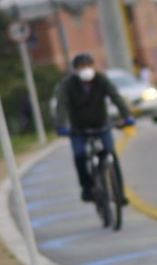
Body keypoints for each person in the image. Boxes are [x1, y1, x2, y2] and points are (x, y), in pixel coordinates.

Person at [55, 53, 135, 203]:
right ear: (75, 70)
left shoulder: (101, 80)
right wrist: (61, 126)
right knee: (80, 155)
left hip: (101, 124)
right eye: (81, 67)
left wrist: (127, 116)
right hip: (78, 128)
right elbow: (62, 106)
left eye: (88, 66)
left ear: (93, 66)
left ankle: (119, 193)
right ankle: (86, 188)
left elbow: (116, 97)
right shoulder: (68, 85)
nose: (86, 69)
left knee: (111, 154)